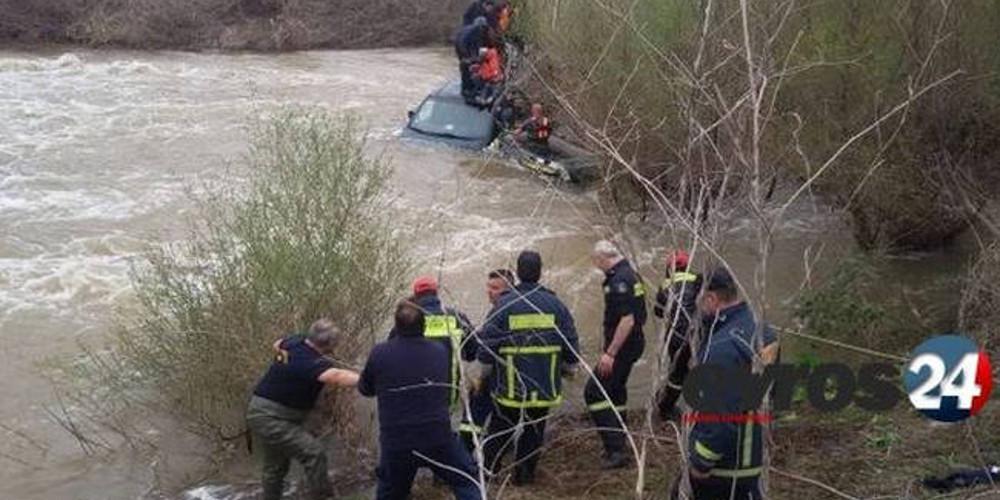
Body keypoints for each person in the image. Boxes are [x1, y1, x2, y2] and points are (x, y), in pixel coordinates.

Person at [359, 300, 480, 500]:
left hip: (396, 441)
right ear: (424, 326)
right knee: (466, 479)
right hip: (436, 437)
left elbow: (365, 390)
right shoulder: (439, 352)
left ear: (396, 327)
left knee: (390, 491)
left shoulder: (379, 353)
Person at [674, 267, 778, 500]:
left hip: (726, 468)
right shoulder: (761, 330)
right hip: (753, 455)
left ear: (711, 298)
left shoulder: (721, 349)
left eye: (698, 302)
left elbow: (720, 417)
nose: (697, 309)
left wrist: (701, 463)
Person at [478, 251, 580, 485]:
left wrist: (484, 377)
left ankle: (488, 473)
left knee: (500, 429)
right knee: (534, 431)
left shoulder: (504, 305)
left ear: (518, 273)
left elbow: (485, 352)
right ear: (540, 272)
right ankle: (524, 476)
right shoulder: (556, 305)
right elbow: (572, 351)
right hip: (545, 385)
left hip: (511, 387)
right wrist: (564, 369)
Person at [246, 319, 360, 500]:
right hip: (269, 417)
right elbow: (336, 376)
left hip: (263, 411)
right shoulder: (310, 362)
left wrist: (282, 358)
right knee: (314, 453)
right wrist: (369, 380)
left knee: (275, 467)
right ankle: (324, 497)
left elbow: (277, 344)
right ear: (329, 345)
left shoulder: (296, 341)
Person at [585, 240, 647, 469]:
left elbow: (627, 319)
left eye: (596, 261)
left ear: (603, 258)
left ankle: (616, 450)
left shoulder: (619, 281)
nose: (596, 265)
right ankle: (620, 436)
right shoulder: (631, 273)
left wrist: (610, 353)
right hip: (634, 343)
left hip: (622, 347)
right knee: (616, 389)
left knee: (594, 392)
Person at [459, 269, 516, 453]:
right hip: (505, 377)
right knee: (501, 422)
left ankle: (467, 454)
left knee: (475, 416)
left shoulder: (501, 310)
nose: (489, 291)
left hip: (498, 377)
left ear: (508, 289)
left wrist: (477, 379)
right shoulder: (508, 308)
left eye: (495, 288)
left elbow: (488, 351)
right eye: (488, 286)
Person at [409, 276, 475, 407]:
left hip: (416, 394)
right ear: (436, 293)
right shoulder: (457, 317)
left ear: (415, 295)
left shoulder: (408, 319)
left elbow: (394, 351)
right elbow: (473, 353)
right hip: (449, 393)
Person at [653, 249, 701, 421]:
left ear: (670, 268)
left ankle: (665, 408)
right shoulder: (698, 280)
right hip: (695, 334)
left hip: (674, 337)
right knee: (690, 369)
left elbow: (658, 312)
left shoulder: (665, 286)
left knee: (677, 372)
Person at [455, 17, 492, 100]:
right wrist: (467, 57)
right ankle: (466, 89)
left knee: (475, 63)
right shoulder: (471, 31)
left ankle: (473, 85)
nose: (483, 29)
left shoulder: (482, 31)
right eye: (482, 27)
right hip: (460, 45)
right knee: (466, 65)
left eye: (484, 28)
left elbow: (483, 43)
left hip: (469, 45)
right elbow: (462, 43)